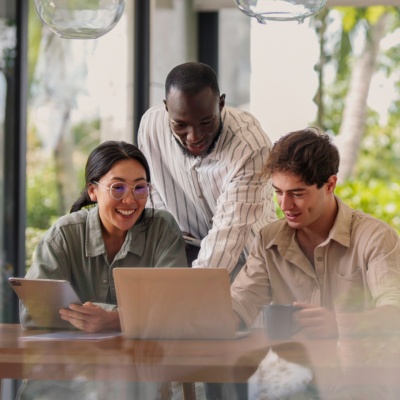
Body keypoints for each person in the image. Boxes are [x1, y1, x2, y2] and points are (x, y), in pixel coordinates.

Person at [17, 141, 187, 399]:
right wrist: (132, 319)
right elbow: (33, 313)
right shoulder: (64, 234)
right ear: (92, 191)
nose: (130, 199)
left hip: (138, 374)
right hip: (68, 374)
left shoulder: (162, 230)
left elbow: (174, 308)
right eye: (118, 187)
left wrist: (115, 319)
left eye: (140, 188)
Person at [231, 128, 400, 339]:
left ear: (330, 185)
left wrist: (341, 324)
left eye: (297, 193)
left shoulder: (376, 237)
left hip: (359, 367)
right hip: (290, 367)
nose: (285, 205)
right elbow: (241, 301)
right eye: (278, 192)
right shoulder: (268, 240)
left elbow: (395, 313)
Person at [138, 62, 276, 279]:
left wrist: (195, 292)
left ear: (221, 104)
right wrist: (169, 238)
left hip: (251, 266)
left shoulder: (251, 146)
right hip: (186, 259)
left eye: (205, 122)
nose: (194, 137)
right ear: (166, 108)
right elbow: (153, 192)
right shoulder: (151, 126)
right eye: (181, 125)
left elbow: (229, 232)